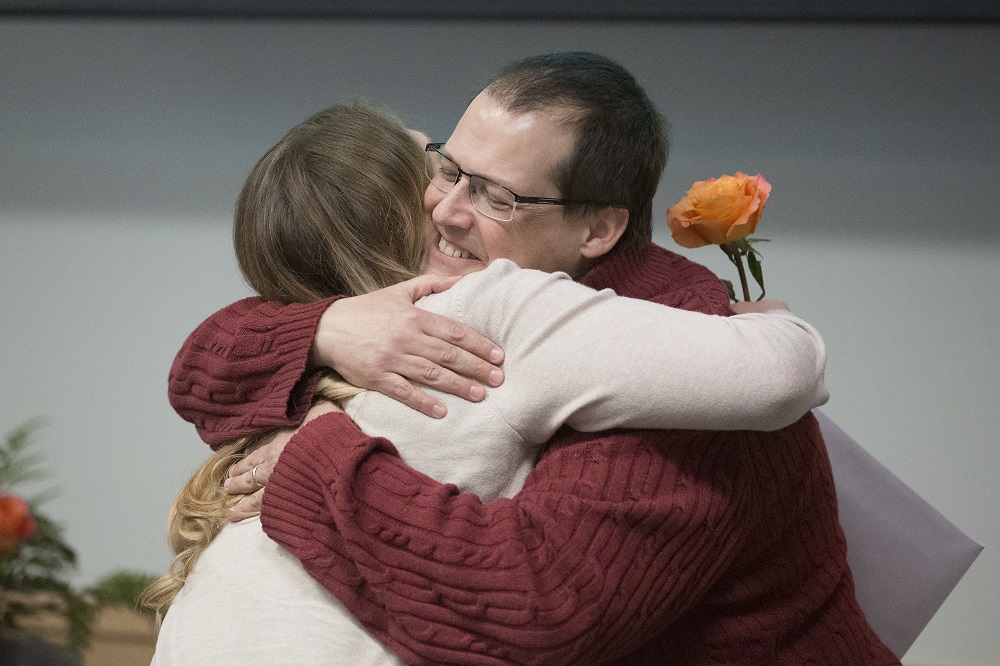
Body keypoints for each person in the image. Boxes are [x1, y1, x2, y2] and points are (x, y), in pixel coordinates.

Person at [169, 53, 898, 663]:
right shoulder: (440, 306)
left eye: (495, 196)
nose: (449, 209)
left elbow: (542, 607)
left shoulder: (615, 339)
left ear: (598, 229)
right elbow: (199, 370)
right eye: (448, 169)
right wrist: (328, 327)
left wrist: (313, 463)